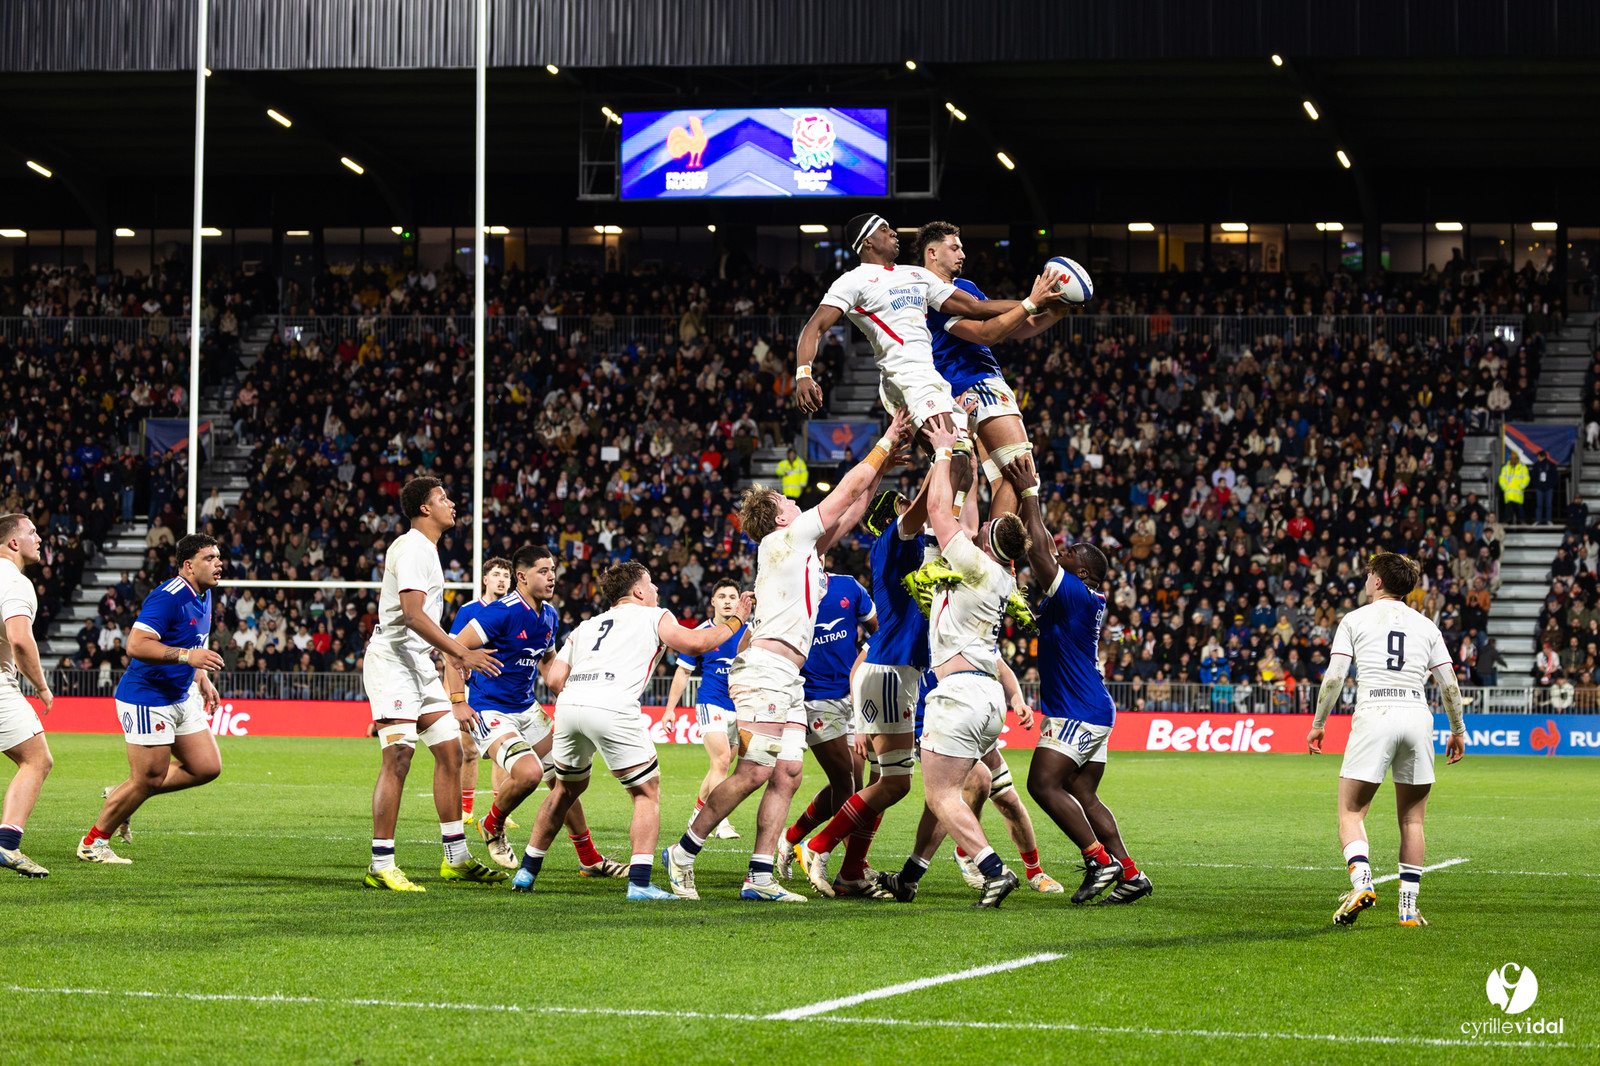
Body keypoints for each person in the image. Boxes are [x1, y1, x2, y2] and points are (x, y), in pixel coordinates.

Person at [663, 409, 911, 903]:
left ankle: (758, 875)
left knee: (789, 773)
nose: (796, 500)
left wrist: (881, 469)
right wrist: (886, 439)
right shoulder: (783, 539)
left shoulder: (801, 549)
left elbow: (852, 510)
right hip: (766, 670)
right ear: (779, 518)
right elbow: (844, 491)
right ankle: (683, 850)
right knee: (754, 770)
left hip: (788, 676)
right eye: (787, 499)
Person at [515, 561, 752, 900]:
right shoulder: (654, 615)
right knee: (646, 792)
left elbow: (553, 679)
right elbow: (697, 643)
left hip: (569, 706)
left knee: (565, 790)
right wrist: (737, 619)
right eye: (651, 583)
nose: (656, 590)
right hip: (612, 704)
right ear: (639, 591)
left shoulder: (586, 626)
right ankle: (640, 884)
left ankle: (526, 872)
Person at [884, 422, 1029, 907]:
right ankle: (909, 875)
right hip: (988, 698)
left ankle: (993, 868)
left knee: (940, 795)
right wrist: (969, 445)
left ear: (986, 542)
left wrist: (944, 452)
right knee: (953, 787)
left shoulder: (970, 562)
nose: (978, 524)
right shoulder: (1001, 576)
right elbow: (963, 518)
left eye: (983, 529)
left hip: (960, 694)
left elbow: (939, 511)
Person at [791, 464, 937, 896]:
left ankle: (852, 870)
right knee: (894, 783)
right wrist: (941, 456)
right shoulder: (895, 539)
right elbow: (929, 504)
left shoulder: (907, 550)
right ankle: (816, 845)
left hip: (891, 670)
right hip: (890, 671)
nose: (911, 505)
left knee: (882, 782)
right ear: (891, 517)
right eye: (902, 503)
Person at [1009, 461, 1148, 904]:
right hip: (1091, 707)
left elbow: (1036, 551)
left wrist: (1029, 490)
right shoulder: (1077, 598)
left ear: (1082, 572)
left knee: (1042, 785)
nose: (1060, 554)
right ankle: (1130, 873)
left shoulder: (1074, 592)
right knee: (1083, 792)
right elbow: (1044, 544)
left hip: (1076, 710)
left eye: (1069, 555)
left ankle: (1098, 860)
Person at [360, 477, 506, 892]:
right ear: (425, 509)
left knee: (451, 751)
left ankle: (455, 858)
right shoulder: (410, 548)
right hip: (392, 662)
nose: (452, 503)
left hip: (417, 663)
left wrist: (444, 655)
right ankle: (380, 863)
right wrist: (458, 652)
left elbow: (420, 621)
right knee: (399, 757)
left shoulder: (426, 549)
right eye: (443, 498)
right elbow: (411, 614)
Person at [443, 545, 624, 877]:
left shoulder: (549, 616)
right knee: (529, 774)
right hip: (490, 709)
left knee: (566, 779)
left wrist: (572, 693)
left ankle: (589, 858)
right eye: (544, 571)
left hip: (527, 708)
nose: (552, 576)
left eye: (553, 569)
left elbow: (548, 664)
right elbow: (453, 650)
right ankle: (491, 824)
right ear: (521, 577)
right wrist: (457, 701)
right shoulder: (501, 612)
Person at [1308, 552, 1467, 927]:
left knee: (1351, 811)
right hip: (1416, 715)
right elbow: (1450, 684)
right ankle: (1408, 910)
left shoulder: (1355, 619)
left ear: (1378, 581)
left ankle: (1361, 882)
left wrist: (1319, 722)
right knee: (1413, 820)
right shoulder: (1427, 626)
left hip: (1375, 712)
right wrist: (1457, 729)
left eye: (1368, 575)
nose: (1366, 580)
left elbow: (1334, 677)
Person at [793, 214, 1037, 437]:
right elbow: (815, 327)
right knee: (953, 452)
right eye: (885, 229)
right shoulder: (852, 281)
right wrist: (804, 373)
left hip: (929, 376)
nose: (893, 233)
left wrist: (1034, 302)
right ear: (867, 242)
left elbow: (975, 308)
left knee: (959, 464)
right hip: (903, 376)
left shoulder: (917, 275)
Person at [78, 534, 227, 865]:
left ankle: (124, 793)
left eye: (218, 557)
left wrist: (201, 677)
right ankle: (93, 843)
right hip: (147, 697)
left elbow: (194, 640)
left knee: (206, 766)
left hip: (181, 694)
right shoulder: (168, 596)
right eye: (210, 558)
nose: (219, 563)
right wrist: (190, 657)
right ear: (188, 565)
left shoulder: (204, 595)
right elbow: (136, 645)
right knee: (149, 778)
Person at [915, 220, 1068, 516]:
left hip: (955, 395)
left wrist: (1054, 312)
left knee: (987, 483)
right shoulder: (932, 293)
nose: (962, 254)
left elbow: (1021, 326)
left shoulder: (964, 288)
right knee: (1023, 477)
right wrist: (1032, 301)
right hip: (975, 383)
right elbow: (986, 334)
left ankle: (973, 553)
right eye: (955, 247)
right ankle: (994, 557)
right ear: (932, 253)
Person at [782, 560, 880, 896]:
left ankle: (793, 837)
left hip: (852, 695)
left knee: (853, 780)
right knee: (846, 781)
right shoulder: (786, 594)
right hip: (814, 698)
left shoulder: (848, 586)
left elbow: (877, 629)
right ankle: (836, 859)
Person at [663, 578, 746, 840]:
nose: (728, 601)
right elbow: (682, 672)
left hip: (739, 707)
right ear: (713, 602)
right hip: (711, 702)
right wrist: (669, 710)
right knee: (721, 761)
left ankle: (698, 814)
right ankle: (720, 821)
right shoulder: (702, 632)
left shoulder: (749, 631)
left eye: (733, 597)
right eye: (722, 596)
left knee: (721, 766)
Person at [0, 515, 53, 877]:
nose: (39, 537)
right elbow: (19, 638)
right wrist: (41, 685)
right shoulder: (14, 581)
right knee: (37, 759)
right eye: (32, 532)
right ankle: (7, 846)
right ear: (13, 543)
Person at [447, 556, 511, 826]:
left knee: (503, 753)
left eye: (506, 575)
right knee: (470, 751)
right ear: (485, 579)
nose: (501, 580)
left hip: (503, 690)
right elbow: (449, 649)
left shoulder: (515, 610)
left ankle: (501, 811)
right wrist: (453, 690)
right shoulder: (469, 610)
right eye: (496, 574)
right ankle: (466, 809)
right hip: (473, 691)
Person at [1498, 452, 1529, 524]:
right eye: (1512, 459)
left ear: (1518, 459)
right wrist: (1505, 487)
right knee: (1508, 509)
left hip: (1518, 493)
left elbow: (1526, 478)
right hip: (1509, 493)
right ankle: (1505, 521)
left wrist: (1521, 486)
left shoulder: (1522, 467)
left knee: (1520, 508)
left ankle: (1522, 521)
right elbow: (1501, 479)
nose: (1514, 460)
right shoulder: (1505, 468)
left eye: (1516, 459)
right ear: (1510, 459)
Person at [1531, 448, 1559, 524]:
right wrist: (1537, 485)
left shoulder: (1551, 465)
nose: (1538, 458)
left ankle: (1548, 520)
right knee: (1539, 505)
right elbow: (1533, 477)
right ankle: (1538, 520)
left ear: (1542, 457)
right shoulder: (1536, 465)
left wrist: (1550, 485)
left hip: (1548, 488)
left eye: (1539, 457)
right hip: (1539, 488)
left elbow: (1555, 477)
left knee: (1548, 505)